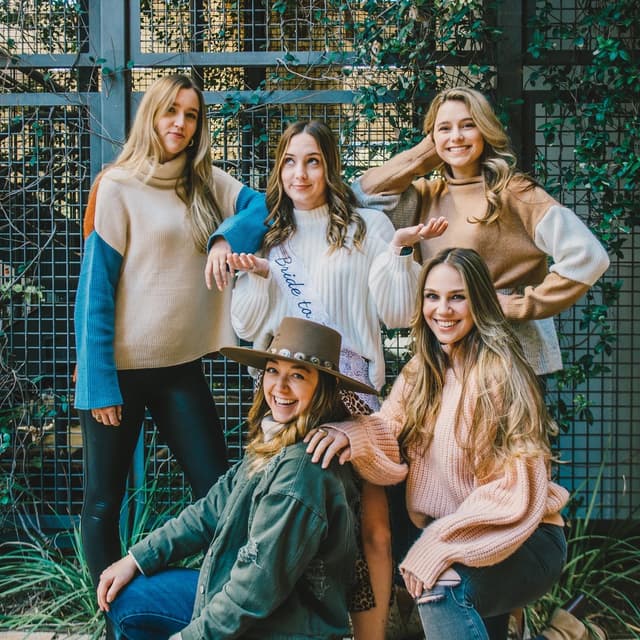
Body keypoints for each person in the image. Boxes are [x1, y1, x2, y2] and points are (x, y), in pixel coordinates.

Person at [218, 119, 447, 639]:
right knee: (282, 526)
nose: (301, 173)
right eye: (291, 161)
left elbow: (395, 312)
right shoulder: (267, 235)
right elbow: (248, 326)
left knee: (375, 533)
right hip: (288, 398)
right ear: (279, 169)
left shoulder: (369, 228)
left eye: (313, 160)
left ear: (329, 166)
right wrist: (255, 278)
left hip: (350, 397)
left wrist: (401, 254)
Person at [305, 248, 570, 640]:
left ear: (478, 300)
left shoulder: (500, 374)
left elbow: (514, 491)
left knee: (440, 590)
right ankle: (567, 632)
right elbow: (388, 429)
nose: (442, 310)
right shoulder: (424, 368)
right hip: (459, 535)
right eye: (432, 296)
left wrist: (439, 545)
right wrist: (351, 435)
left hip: (522, 539)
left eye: (457, 296)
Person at [74, 74, 268, 591]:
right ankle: (115, 619)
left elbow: (261, 206)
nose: (180, 123)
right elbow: (94, 294)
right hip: (117, 375)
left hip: (181, 370)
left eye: (191, 114)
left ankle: (216, 609)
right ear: (151, 115)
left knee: (219, 490)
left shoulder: (206, 182)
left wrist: (225, 239)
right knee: (101, 502)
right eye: (171, 111)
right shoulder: (116, 185)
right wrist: (97, 385)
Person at [95, 317, 368, 640]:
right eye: (272, 371)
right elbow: (208, 511)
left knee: (133, 605)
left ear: (322, 388)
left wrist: (189, 638)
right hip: (258, 607)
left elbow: (256, 585)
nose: (279, 388)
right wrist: (135, 559)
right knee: (128, 593)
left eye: (297, 376)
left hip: (284, 627)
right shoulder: (277, 441)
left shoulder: (301, 472)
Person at [350, 85, 610, 376]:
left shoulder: (514, 192)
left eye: (468, 125)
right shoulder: (425, 195)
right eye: (445, 128)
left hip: (504, 351)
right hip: (442, 348)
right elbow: (359, 196)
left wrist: (518, 306)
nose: (457, 136)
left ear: (485, 130)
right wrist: (427, 154)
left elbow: (588, 256)